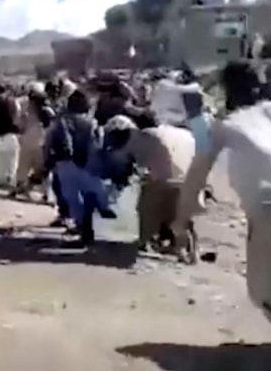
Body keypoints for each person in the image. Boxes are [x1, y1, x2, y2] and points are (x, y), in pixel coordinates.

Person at [174, 61, 271, 364]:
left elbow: (196, 173)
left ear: (226, 91)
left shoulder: (226, 125)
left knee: (266, 293)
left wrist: (182, 222)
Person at [104, 112, 196, 254]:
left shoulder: (137, 140)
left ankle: (144, 241)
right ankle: (183, 247)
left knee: (146, 208)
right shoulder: (155, 133)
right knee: (178, 212)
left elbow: (131, 165)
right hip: (189, 173)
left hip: (168, 177)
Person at [45, 89, 115, 246]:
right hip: (88, 162)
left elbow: (49, 142)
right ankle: (90, 230)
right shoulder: (93, 123)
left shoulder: (61, 121)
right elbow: (99, 144)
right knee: (89, 195)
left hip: (65, 163)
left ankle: (82, 228)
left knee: (73, 199)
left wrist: (47, 163)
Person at [11, 82, 53, 200]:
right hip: (43, 141)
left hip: (27, 139)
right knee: (41, 168)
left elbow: (19, 124)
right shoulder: (49, 108)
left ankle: (21, 188)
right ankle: (46, 193)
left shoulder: (24, 105)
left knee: (24, 166)